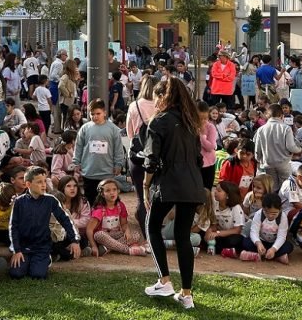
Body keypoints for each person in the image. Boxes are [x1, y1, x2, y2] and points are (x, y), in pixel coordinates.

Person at [142, 77, 206, 309]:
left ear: (162, 96)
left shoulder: (158, 121)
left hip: (168, 183)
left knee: (151, 226)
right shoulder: (191, 123)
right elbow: (199, 159)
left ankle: (164, 280)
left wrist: (145, 185)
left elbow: (151, 160)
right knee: (182, 236)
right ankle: (186, 293)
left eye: (157, 97)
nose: (155, 101)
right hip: (192, 184)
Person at [9, 166, 81, 279]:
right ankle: (28, 261)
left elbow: (65, 219)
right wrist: (16, 250)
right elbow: (13, 227)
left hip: (41, 247)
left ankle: (46, 258)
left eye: (44, 181)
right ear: (28, 184)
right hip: (24, 247)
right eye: (39, 182)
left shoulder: (51, 200)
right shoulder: (19, 202)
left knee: (38, 275)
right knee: (16, 274)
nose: (44, 185)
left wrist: (74, 240)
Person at [73, 98, 125, 206]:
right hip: (89, 172)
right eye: (92, 114)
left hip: (107, 172)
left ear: (104, 113)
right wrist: (76, 162)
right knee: (90, 200)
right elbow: (78, 146)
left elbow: (118, 149)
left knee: (107, 201)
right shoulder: (85, 128)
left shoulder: (113, 129)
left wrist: (118, 164)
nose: (95, 116)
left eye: (98, 113)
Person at [126, 76, 159, 235]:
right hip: (157, 155)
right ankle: (156, 229)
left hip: (137, 154)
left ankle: (146, 232)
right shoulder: (161, 106)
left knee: (140, 194)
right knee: (157, 193)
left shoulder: (134, 105)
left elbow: (129, 132)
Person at [86, 179, 148, 257]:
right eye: (108, 190)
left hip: (115, 235)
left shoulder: (120, 205)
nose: (112, 192)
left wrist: (127, 232)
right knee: (99, 235)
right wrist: (93, 246)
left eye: (114, 189)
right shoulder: (99, 209)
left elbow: (124, 224)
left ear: (118, 191)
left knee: (135, 234)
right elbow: (89, 229)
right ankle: (129, 250)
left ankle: (107, 248)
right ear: (102, 194)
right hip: (102, 237)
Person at [254, 104, 302, 189]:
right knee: (285, 188)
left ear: (268, 115)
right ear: (281, 115)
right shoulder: (286, 128)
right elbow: (291, 147)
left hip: (268, 164)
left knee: (271, 188)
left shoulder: (261, 129)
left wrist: (259, 160)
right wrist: (299, 149)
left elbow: (257, 150)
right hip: (283, 163)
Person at [240, 193, 292, 263]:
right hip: (261, 242)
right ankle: (276, 257)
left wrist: (274, 249)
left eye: (274, 213)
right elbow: (254, 232)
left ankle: (259, 255)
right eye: (267, 212)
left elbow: (281, 236)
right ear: (263, 208)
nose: (270, 216)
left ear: (280, 210)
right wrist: (258, 243)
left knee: (289, 246)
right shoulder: (259, 214)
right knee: (245, 242)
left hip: (274, 243)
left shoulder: (283, 217)